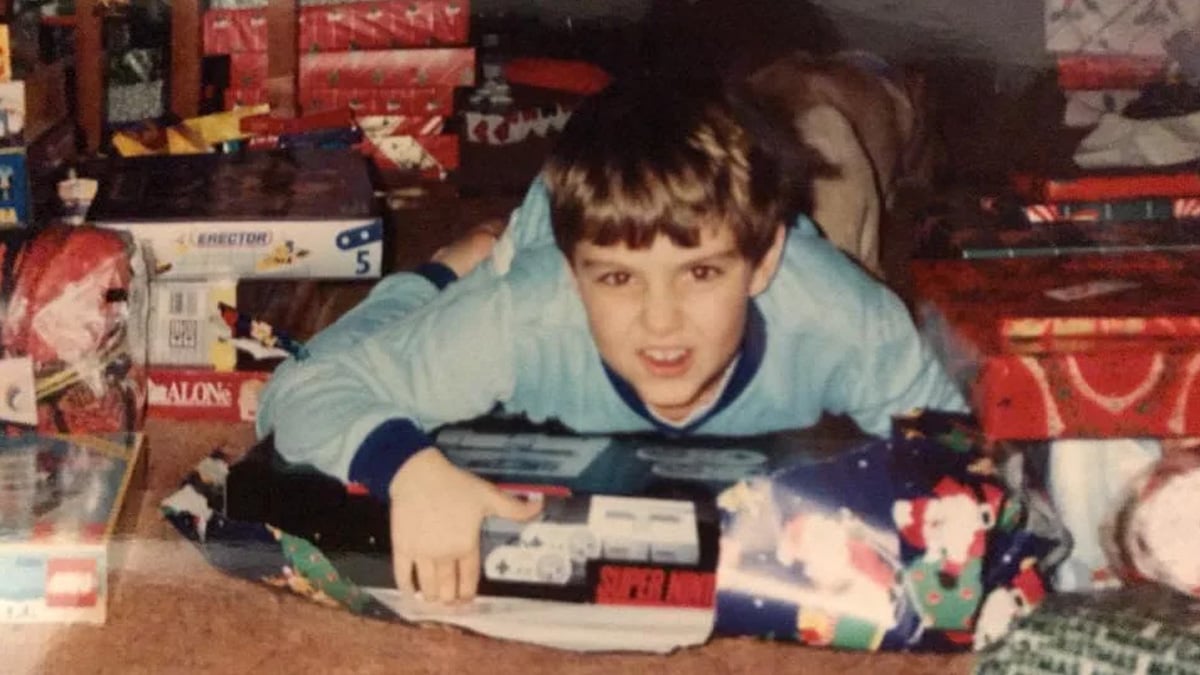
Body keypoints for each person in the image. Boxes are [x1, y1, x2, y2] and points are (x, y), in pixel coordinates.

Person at [255, 76, 967, 605]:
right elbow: (295, 391)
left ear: (762, 263)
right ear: (574, 275)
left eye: (700, 273)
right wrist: (411, 471)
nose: (662, 324)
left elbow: (964, 463)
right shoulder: (525, 310)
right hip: (530, 247)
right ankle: (450, 265)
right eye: (621, 280)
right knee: (404, 329)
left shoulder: (848, 323)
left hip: (786, 248)